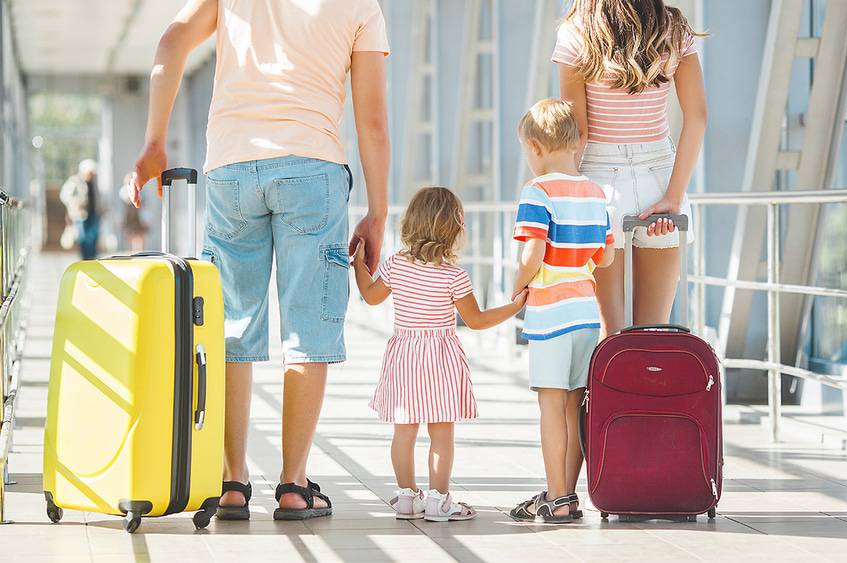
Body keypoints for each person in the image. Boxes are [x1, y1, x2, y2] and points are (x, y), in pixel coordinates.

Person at [129, 0, 390, 521]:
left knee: (232, 326)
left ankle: (231, 482)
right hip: (312, 170)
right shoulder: (363, 6)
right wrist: (378, 212)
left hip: (231, 168)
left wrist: (154, 141)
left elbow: (172, 41)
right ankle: (293, 485)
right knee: (307, 330)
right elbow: (374, 122)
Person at [352, 187, 527, 522]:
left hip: (404, 354)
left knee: (404, 432)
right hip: (440, 358)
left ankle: (406, 498)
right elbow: (476, 320)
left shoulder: (396, 266)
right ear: (455, 228)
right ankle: (439, 501)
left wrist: (359, 265)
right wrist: (514, 308)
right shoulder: (453, 276)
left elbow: (371, 297)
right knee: (441, 434)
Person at [554, 0, 708, 336]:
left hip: (599, 183)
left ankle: (609, 390)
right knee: (652, 331)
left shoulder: (577, 32)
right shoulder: (672, 26)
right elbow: (697, 117)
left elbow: (579, 131)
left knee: (611, 333)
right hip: (662, 180)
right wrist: (674, 196)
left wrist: (566, 194)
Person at [508, 99, 614, 524]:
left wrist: (517, 286)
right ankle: (567, 493)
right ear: (577, 144)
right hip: (586, 314)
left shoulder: (537, 192)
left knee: (550, 406)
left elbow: (532, 252)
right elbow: (605, 259)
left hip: (551, 315)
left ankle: (555, 496)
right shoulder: (594, 192)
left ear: (534, 147)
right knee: (574, 406)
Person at [60, 158, 102, 260]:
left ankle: (92, 259)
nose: (92, 175)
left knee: (93, 238)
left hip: (94, 215)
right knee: (83, 239)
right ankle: (85, 260)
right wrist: (74, 206)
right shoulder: (75, 181)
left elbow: (97, 198)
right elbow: (64, 195)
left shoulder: (93, 183)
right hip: (81, 216)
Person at [119, 174, 148, 252]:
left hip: (138, 216)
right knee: (129, 234)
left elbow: (144, 203)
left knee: (139, 234)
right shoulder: (123, 191)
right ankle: (130, 251)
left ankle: (139, 251)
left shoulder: (140, 190)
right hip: (129, 216)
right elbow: (122, 205)